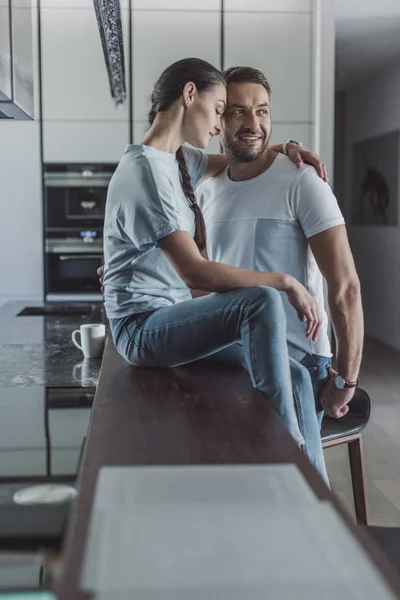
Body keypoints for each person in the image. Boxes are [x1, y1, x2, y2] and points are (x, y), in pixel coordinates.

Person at [101, 57, 329, 479]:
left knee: (297, 376)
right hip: (142, 329)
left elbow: (238, 160)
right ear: (190, 95)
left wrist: (286, 147)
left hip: (167, 319)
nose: (222, 123)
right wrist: (285, 281)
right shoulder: (145, 172)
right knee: (259, 300)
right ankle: (283, 446)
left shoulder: (176, 160)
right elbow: (195, 273)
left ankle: (318, 496)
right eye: (221, 109)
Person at [193, 66, 364, 481]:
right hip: (233, 357)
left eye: (262, 111)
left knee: (296, 484)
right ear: (218, 119)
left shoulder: (302, 181)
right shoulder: (207, 186)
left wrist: (346, 378)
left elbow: (345, 290)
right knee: (243, 482)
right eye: (238, 112)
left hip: (299, 360)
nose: (253, 124)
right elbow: (199, 268)